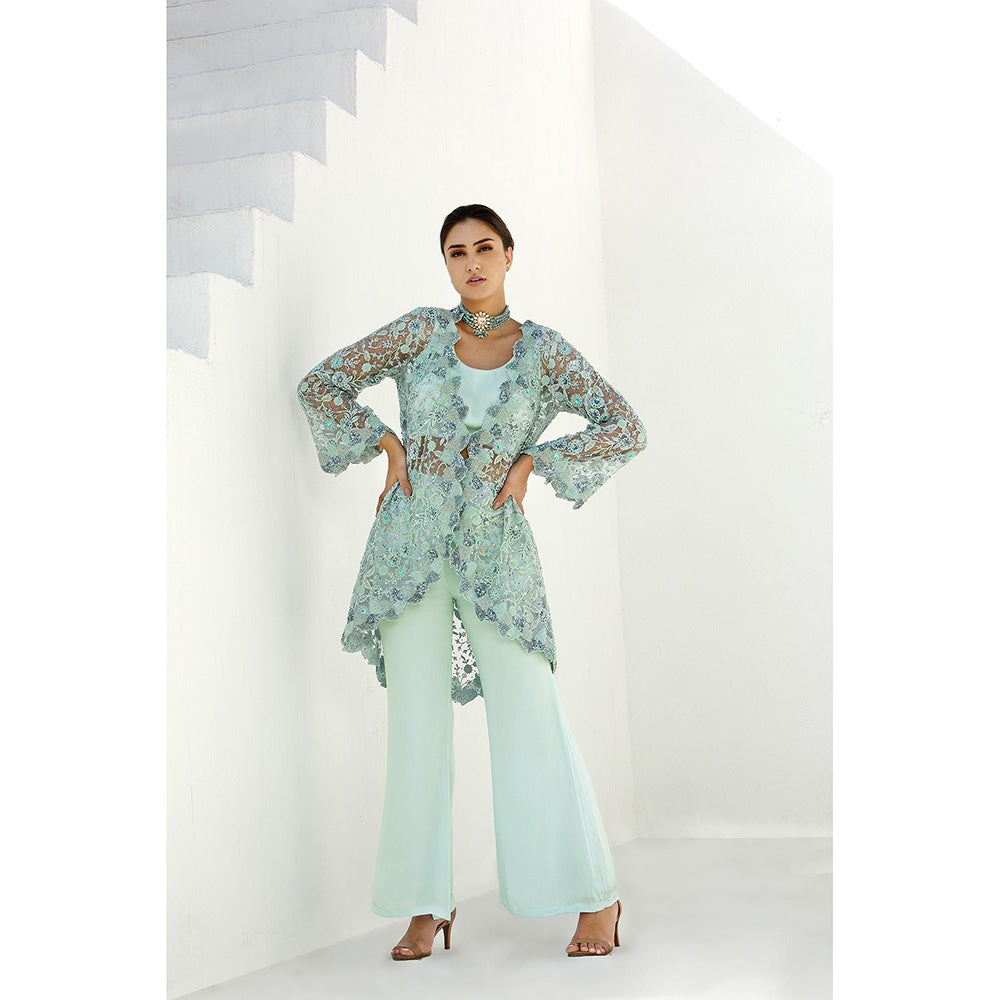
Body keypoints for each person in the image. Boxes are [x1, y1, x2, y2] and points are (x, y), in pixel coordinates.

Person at [295, 204, 647, 960]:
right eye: (457, 253)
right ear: (446, 264)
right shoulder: (418, 333)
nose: (472, 263)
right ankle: (424, 904)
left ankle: (596, 895)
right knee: (415, 730)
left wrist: (536, 462)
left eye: (485, 248)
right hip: (407, 554)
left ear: (510, 255)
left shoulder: (545, 353)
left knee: (532, 719)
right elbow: (322, 384)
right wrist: (384, 442)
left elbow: (624, 426)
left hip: (497, 557)